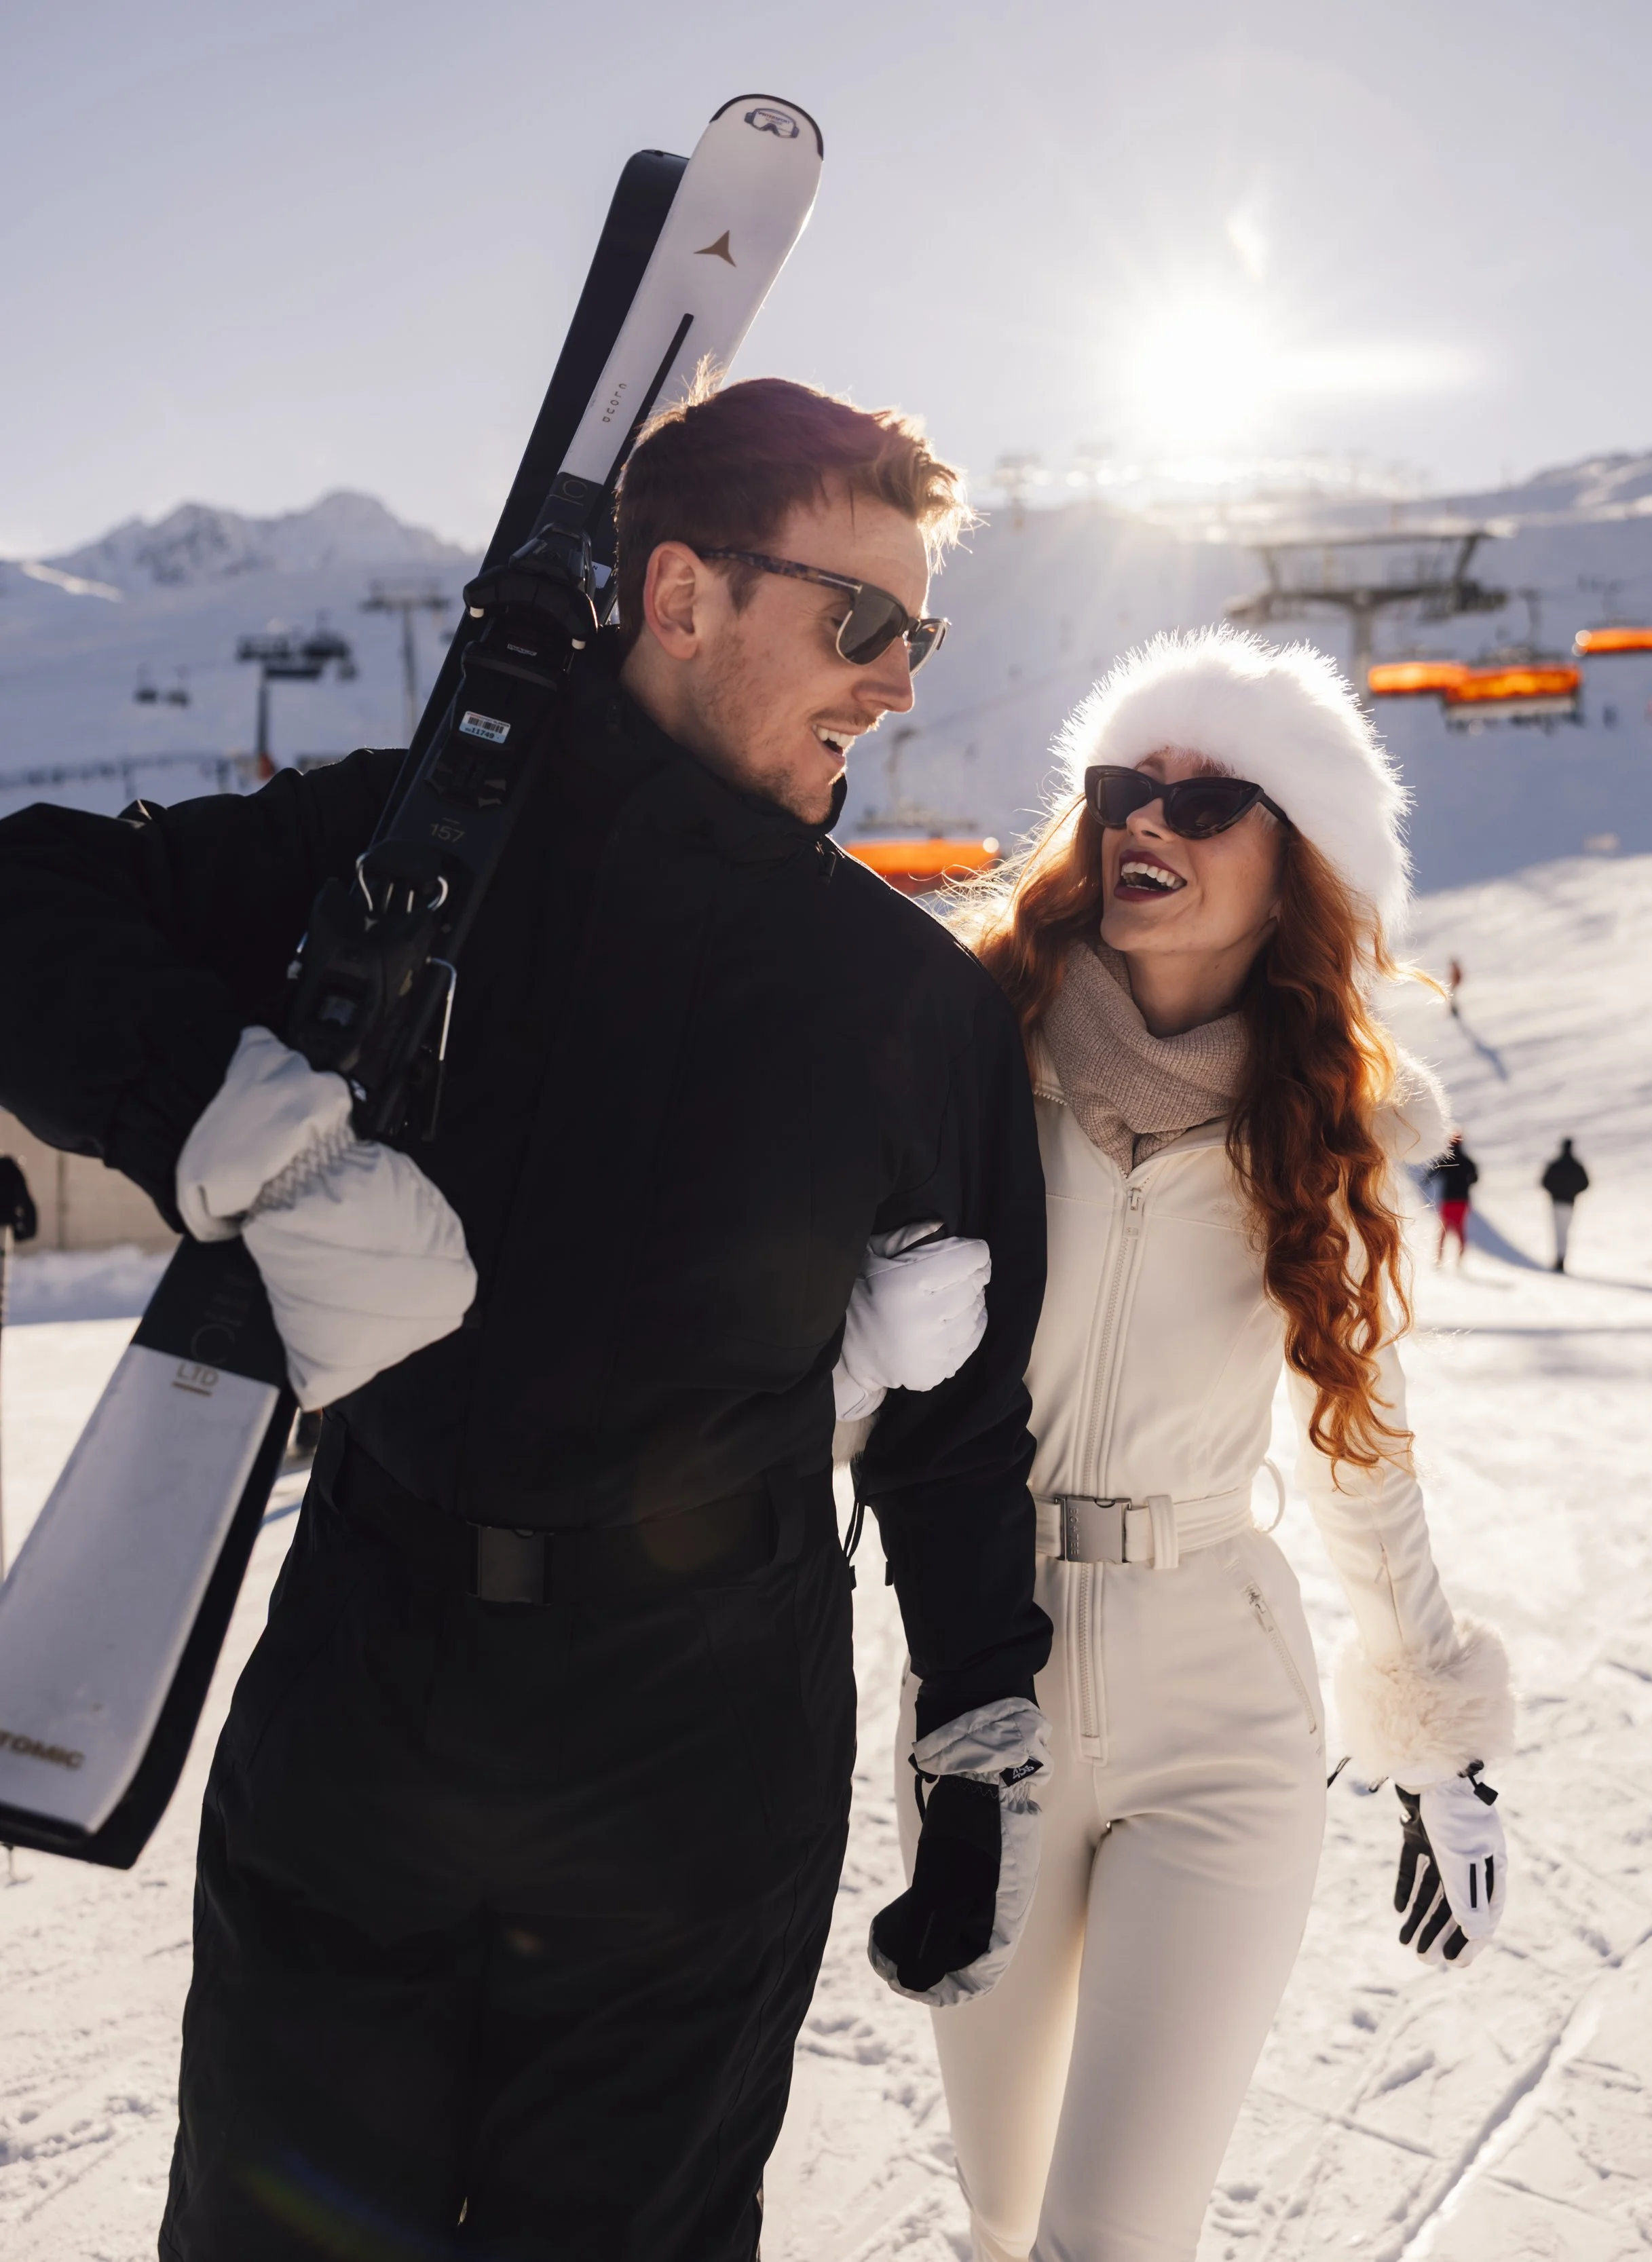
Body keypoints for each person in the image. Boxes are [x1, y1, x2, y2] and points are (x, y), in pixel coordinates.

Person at [0, 377, 1055, 2262]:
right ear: (679, 594)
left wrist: (977, 1716)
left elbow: (960, 1425)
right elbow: (23, 902)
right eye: (863, 623)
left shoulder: (910, 1005)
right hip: (365, 1728)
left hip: (699, 1768)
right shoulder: (406, 859)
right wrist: (217, 1115)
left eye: (922, 632)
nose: (898, 682)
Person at [884, 629, 1514, 2262]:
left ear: (1293, 863)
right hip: (985, 1682)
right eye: (1119, 791)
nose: (1146, 823)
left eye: (1209, 798)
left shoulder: (1325, 1127)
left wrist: (1436, 1727)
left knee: (1115, 2234)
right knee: (1005, 2206)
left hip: (1221, 1704)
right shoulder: (968, 1060)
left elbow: (1354, 1446)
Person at [1427, 1131, 1479, 1264]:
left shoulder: (1447, 1160)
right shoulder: (1467, 1161)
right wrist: (1466, 1183)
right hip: (1462, 1200)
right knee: (1460, 1230)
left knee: (1444, 1230)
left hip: (1448, 1199)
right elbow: (1475, 1178)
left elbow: (1432, 1173)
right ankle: (1459, 1261)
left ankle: (1439, 1259)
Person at [1541, 1135, 1590, 1273]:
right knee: (1565, 1232)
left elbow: (1545, 1182)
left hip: (1557, 1202)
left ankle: (1559, 1259)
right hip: (1569, 1203)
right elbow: (1585, 1184)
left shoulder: (1555, 1165)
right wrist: (1572, 1193)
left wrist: (1555, 1192)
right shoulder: (1577, 1166)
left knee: (1558, 1231)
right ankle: (1561, 1259)